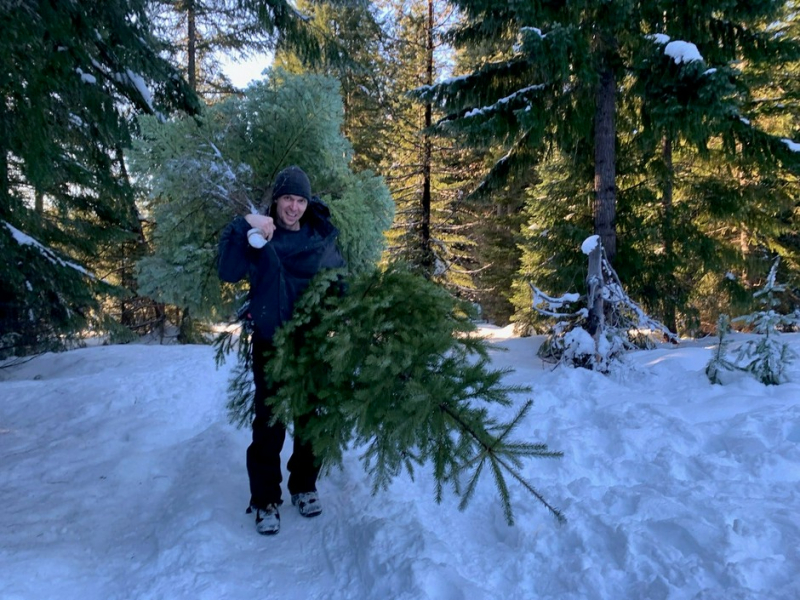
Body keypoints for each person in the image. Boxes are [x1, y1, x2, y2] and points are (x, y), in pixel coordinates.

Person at [217, 166, 345, 535]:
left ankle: (304, 486)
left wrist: (360, 315)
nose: (294, 207)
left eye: (300, 200)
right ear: (276, 200)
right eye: (288, 198)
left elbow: (341, 281)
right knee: (269, 424)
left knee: (310, 418)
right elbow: (228, 270)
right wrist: (245, 224)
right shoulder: (260, 236)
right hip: (271, 343)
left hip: (310, 342)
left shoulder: (320, 238)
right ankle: (265, 499)